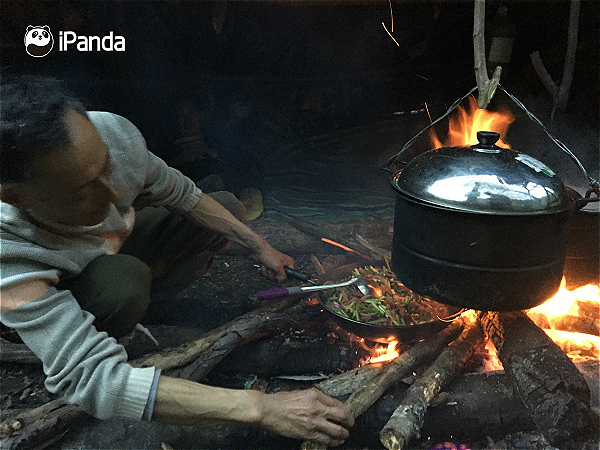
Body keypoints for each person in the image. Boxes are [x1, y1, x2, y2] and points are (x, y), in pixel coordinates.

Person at [0, 75, 354, 446]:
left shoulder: (109, 135)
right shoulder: (9, 250)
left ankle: (149, 302)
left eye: (105, 166)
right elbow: (93, 381)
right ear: (17, 198)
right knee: (125, 284)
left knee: (228, 207)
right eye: (82, 189)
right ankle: (89, 327)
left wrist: (257, 244)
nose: (114, 191)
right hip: (59, 282)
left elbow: (181, 193)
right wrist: (262, 407)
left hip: (103, 248)